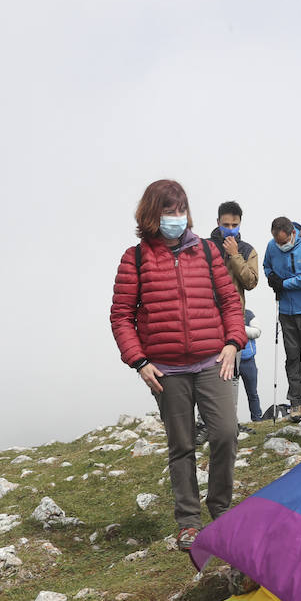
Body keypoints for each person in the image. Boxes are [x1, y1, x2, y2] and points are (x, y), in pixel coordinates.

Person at [110, 179, 246, 551]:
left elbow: (231, 303)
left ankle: (221, 509)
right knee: (182, 445)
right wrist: (139, 362)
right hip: (166, 371)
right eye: (168, 211)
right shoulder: (134, 258)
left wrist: (234, 342)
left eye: (181, 210)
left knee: (225, 433)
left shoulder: (206, 250)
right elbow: (121, 316)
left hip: (212, 360)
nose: (176, 217)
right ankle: (188, 522)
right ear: (152, 214)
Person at [263, 216, 301, 418]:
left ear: (292, 234)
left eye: (283, 241)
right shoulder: (272, 246)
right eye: (277, 242)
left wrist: (285, 284)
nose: (280, 245)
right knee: (292, 357)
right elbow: (267, 266)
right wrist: (271, 277)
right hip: (286, 311)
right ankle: (295, 402)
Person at [211, 201, 259, 303]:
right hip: (208, 312)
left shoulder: (248, 250)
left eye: (234, 225)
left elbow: (251, 283)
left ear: (240, 223)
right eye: (226, 225)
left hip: (235, 311)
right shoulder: (206, 246)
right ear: (218, 222)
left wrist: (235, 255)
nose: (230, 229)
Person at [238, 308, 263, 421]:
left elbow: (256, 332)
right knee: (229, 396)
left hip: (248, 361)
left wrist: (238, 327)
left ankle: (257, 419)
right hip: (231, 361)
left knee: (252, 393)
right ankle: (232, 422)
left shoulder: (248, 314)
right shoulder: (222, 312)